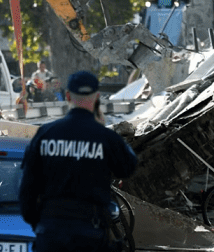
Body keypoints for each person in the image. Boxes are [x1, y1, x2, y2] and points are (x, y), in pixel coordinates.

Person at [19, 70, 138, 252]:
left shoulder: (45, 134)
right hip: (91, 234)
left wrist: (40, 223)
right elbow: (128, 167)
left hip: (51, 232)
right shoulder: (105, 137)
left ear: (67, 96)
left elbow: (26, 190)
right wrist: (104, 129)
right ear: (97, 97)